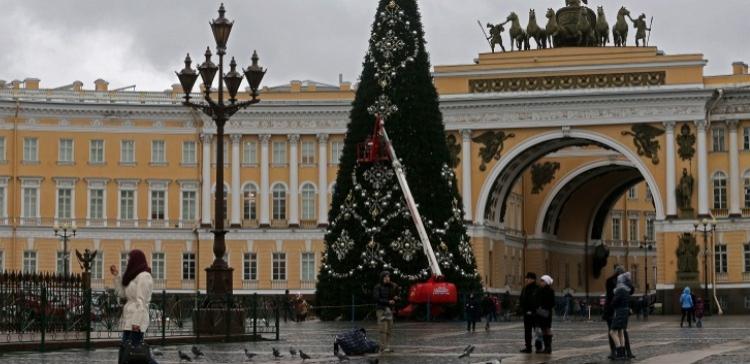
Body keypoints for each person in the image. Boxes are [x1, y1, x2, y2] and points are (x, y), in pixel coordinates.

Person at [110, 249, 158, 364]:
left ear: (136, 260)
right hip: (129, 320)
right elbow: (122, 293)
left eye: (129, 260)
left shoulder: (144, 277)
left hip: (137, 322)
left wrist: (136, 324)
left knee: (135, 354)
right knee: (127, 353)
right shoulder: (132, 277)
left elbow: (141, 302)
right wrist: (117, 276)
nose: (127, 263)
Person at [604, 265, 634, 359]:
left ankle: (618, 352)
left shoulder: (618, 282)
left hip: (615, 309)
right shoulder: (620, 282)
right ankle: (624, 352)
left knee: (614, 331)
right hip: (617, 309)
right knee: (620, 331)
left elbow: (610, 297)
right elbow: (631, 291)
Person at [373, 271, 399, 353]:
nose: (388, 278)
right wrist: (388, 302)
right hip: (381, 310)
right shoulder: (378, 287)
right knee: (383, 329)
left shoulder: (391, 287)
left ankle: (387, 346)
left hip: (389, 310)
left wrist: (396, 298)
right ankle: (383, 347)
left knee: (389, 329)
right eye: (386, 277)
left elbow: (395, 296)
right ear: (382, 278)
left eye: (388, 277)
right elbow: (376, 298)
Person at [518, 272, 539, 353]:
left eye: (528, 278)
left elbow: (537, 301)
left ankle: (538, 347)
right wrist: (522, 308)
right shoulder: (525, 288)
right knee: (527, 331)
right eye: (526, 278)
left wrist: (533, 310)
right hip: (526, 313)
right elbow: (521, 299)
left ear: (532, 279)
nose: (526, 279)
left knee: (537, 330)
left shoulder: (537, 289)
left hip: (535, 314)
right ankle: (528, 347)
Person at [535, 275, 556, 354]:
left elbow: (552, 303)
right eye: (541, 281)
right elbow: (536, 300)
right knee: (543, 329)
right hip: (540, 313)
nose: (541, 282)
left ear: (546, 282)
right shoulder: (539, 290)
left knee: (547, 329)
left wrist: (544, 307)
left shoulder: (550, 291)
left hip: (547, 313)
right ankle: (545, 347)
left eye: (542, 281)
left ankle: (548, 347)